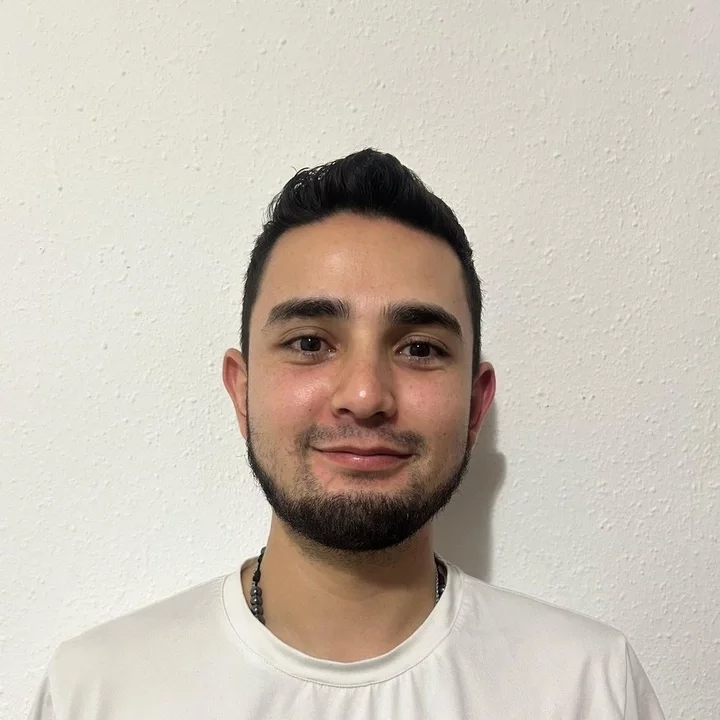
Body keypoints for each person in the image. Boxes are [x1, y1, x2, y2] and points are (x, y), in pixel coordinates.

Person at [28, 148, 665, 719]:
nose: (364, 396)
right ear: (242, 391)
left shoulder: (589, 687)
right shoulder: (98, 692)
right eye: (310, 343)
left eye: (419, 348)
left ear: (475, 405)